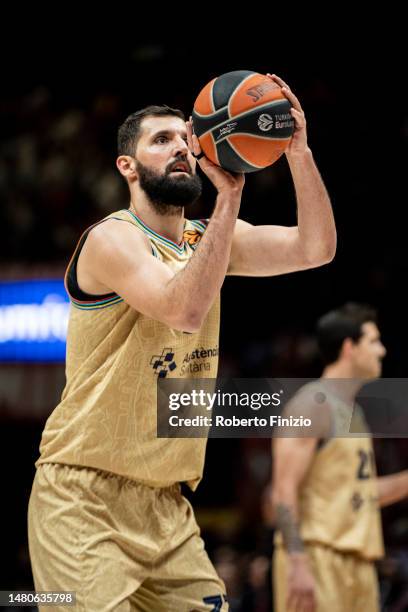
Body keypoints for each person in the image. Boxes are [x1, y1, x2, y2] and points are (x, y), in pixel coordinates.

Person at [28, 74, 336, 611]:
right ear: (127, 165)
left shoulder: (207, 238)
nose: (181, 150)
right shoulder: (111, 239)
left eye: (185, 139)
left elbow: (316, 248)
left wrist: (298, 153)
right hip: (82, 499)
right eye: (161, 140)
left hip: (167, 504)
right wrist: (231, 199)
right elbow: (184, 309)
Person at [272, 303, 408, 612]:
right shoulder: (311, 404)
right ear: (349, 347)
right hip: (318, 557)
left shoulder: (354, 413)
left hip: (357, 562)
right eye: (373, 341)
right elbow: (283, 491)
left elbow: (361, 493)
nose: (382, 351)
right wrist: (298, 562)